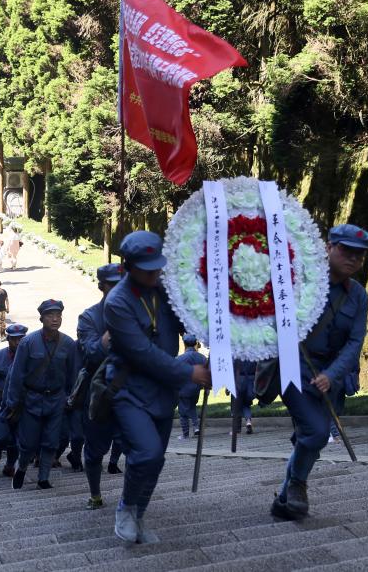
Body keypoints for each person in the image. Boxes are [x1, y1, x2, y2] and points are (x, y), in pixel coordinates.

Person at [105, 231, 211, 544]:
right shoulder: (117, 303)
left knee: (158, 458)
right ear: (127, 267)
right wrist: (189, 373)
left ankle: (139, 514)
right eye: (147, 268)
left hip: (163, 390)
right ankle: (124, 507)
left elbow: (191, 321)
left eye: (158, 266)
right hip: (130, 389)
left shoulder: (163, 289)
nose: (155, 272)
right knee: (147, 452)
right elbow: (142, 354)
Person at [270, 224, 368, 521]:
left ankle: (285, 499)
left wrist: (333, 374)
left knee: (310, 438)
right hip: (295, 367)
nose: (352, 259)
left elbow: (355, 342)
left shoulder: (359, 297)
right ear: (328, 247)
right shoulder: (299, 280)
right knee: (315, 433)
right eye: (346, 251)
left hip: (331, 377)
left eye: (359, 255)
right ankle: (299, 485)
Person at [5, 300, 80, 490]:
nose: (55, 319)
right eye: (50, 315)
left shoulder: (68, 344)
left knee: (51, 441)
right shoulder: (28, 343)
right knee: (28, 442)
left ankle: (43, 477)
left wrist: (71, 398)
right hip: (32, 399)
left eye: (58, 315)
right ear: (41, 318)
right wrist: (13, 402)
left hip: (56, 399)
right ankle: (21, 467)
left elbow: (73, 375)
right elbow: (17, 375)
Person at [77, 263, 126, 510]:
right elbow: (90, 353)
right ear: (102, 287)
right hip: (100, 396)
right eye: (112, 285)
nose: (118, 289)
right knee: (95, 451)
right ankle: (95, 494)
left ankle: (131, 499)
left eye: (122, 284)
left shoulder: (136, 313)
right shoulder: (89, 317)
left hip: (130, 392)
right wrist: (107, 338)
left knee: (137, 447)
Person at [177, 335, 206, 439]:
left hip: (184, 388)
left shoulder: (180, 358)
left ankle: (185, 434)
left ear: (184, 344)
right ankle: (196, 427)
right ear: (195, 344)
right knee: (192, 407)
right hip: (196, 388)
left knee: (182, 411)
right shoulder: (202, 358)